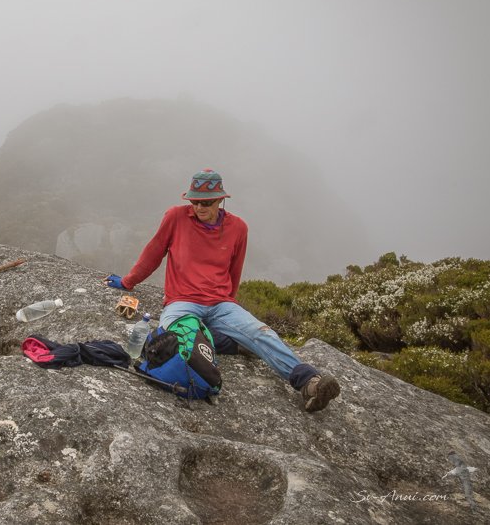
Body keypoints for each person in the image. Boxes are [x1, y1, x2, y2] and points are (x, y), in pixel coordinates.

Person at [104, 169, 340, 413]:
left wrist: (232, 308)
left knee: (262, 333)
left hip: (221, 304)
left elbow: (234, 271)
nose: (199, 207)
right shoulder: (175, 217)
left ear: (220, 200)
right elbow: (153, 254)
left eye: (206, 202)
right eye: (195, 201)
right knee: (173, 339)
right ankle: (236, 343)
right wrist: (128, 282)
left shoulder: (238, 228)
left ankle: (310, 383)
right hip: (182, 301)